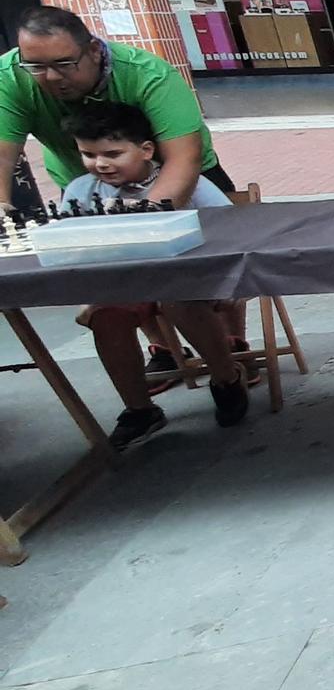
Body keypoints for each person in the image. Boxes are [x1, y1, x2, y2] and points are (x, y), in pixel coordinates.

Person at [2, 4, 246, 377]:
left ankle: (231, 348)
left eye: (64, 64)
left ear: (95, 50)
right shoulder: (9, 78)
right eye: (35, 66)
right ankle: (163, 347)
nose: (50, 77)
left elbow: (182, 161)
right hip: (85, 179)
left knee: (198, 267)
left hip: (177, 167)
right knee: (119, 287)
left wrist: (140, 228)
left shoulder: (148, 75)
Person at [59, 101, 247, 449]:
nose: (100, 164)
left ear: (146, 150)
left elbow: (233, 231)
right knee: (106, 316)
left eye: (112, 153)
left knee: (178, 300)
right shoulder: (81, 193)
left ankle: (226, 378)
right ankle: (140, 408)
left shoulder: (188, 184)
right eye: (88, 154)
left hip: (191, 282)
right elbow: (74, 245)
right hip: (124, 285)